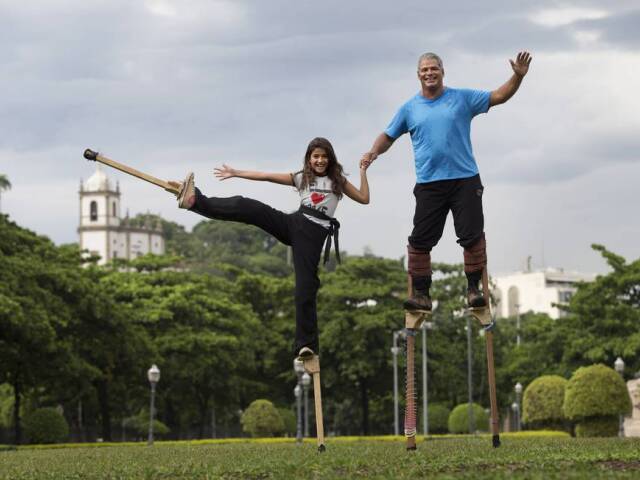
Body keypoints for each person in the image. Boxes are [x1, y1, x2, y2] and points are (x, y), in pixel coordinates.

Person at [171, 137, 370, 360]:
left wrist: (363, 171)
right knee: (245, 205)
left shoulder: (338, 181)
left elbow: (364, 198)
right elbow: (266, 176)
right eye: (316, 156)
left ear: (330, 158)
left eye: (324, 156)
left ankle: (306, 345)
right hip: (294, 223)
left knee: (305, 289)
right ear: (309, 158)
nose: (320, 160)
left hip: (312, 236)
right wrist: (236, 172)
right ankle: (194, 201)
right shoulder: (302, 177)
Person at [362, 51, 532, 311]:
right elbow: (388, 135)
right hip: (429, 183)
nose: (429, 73)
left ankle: (473, 289)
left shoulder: (461, 98)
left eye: (434, 68)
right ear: (418, 75)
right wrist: (373, 152)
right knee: (420, 239)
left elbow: (498, 96)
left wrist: (517, 77)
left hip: (465, 179)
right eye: (424, 70)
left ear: (443, 71)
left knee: (471, 234)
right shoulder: (410, 108)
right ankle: (421, 295)